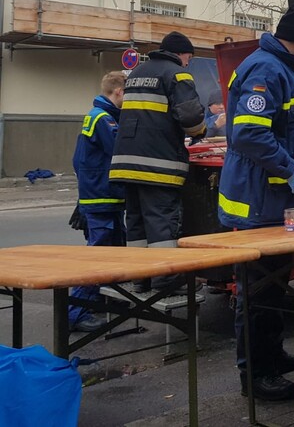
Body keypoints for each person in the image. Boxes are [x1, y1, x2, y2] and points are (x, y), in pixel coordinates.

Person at [218, 0, 294, 402]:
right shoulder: (267, 68)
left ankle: (272, 354)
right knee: (257, 288)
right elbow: (249, 136)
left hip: (284, 202)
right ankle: (255, 374)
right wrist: (293, 167)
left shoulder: (285, 68)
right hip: (259, 201)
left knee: (279, 282)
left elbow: (282, 129)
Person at [109, 32, 206, 292]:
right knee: (162, 220)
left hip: (126, 162)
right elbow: (191, 117)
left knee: (137, 221)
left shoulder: (137, 73)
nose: (188, 63)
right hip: (157, 163)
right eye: (189, 58)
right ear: (181, 54)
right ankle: (167, 279)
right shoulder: (177, 74)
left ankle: (141, 278)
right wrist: (201, 132)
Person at [68, 71, 127, 333]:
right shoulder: (104, 119)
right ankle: (76, 313)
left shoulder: (99, 115)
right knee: (98, 255)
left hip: (101, 196)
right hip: (101, 196)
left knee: (114, 251)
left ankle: (102, 303)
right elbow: (119, 152)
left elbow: (77, 160)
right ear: (119, 92)